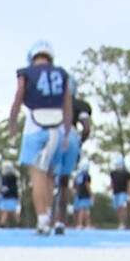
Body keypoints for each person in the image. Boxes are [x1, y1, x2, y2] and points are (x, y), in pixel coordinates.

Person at [8, 40, 72, 235]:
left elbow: (19, 96)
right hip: (57, 125)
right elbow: (67, 103)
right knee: (49, 175)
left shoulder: (26, 73)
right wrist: (67, 131)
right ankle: (50, 215)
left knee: (37, 175)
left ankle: (42, 219)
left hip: (35, 124)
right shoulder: (61, 73)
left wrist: (12, 122)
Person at [51, 80, 94, 235]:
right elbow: (86, 127)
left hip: (53, 138)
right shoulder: (80, 105)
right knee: (63, 181)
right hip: (71, 139)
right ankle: (60, 221)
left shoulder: (52, 104)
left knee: (47, 179)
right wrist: (80, 143)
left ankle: (45, 217)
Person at [109, 156, 130, 229]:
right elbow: (112, 182)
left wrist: (128, 194)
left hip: (123, 192)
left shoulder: (126, 173)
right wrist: (111, 190)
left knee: (122, 207)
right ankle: (120, 223)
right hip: (116, 192)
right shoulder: (113, 173)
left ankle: (123, 223)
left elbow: (129, 184)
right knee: (118, 208)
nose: (117, 165)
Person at [0, 161, 21, 228]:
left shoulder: (13, 177)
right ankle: (2, 223)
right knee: (5, 210)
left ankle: (18, 222)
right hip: (5, 196)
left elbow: (14, 188)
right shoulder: (3, 177)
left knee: (12, 210)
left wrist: (7, 189)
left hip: (11, 196)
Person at [72, 161, 93, 229]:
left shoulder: (78, 175)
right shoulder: (86, 175)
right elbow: (87, 185)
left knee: (82, 210)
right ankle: (80, 224)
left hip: (78, 194)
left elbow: (74, 186)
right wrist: (91, 194)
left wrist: (75, 192)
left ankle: (87, 224)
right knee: (84, 210)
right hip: (85, 194)